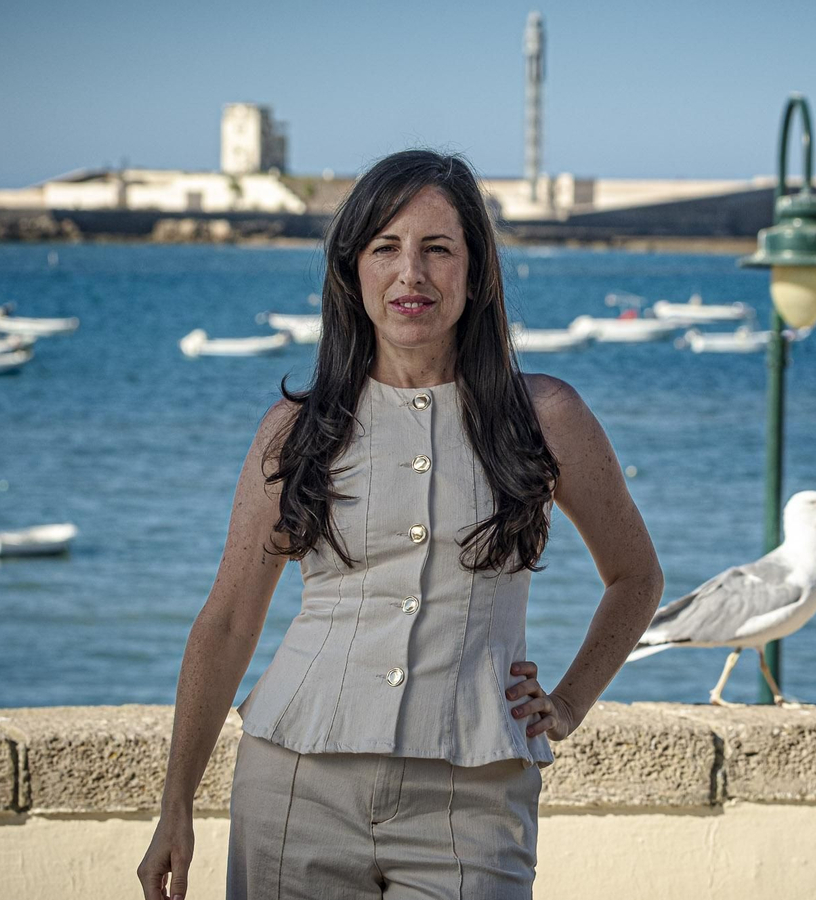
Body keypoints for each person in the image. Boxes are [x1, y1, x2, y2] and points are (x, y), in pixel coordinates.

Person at [138, 149, 663, 900]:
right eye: (385, 248)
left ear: (476, 272)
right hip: (295, 786)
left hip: (475, 802)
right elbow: (228, 621)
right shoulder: (296, 431)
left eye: (437, 249)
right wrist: (176, 804)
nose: (410, 274)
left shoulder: (546, 417)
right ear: (353, 271)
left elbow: (636, 576)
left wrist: (571, 704)